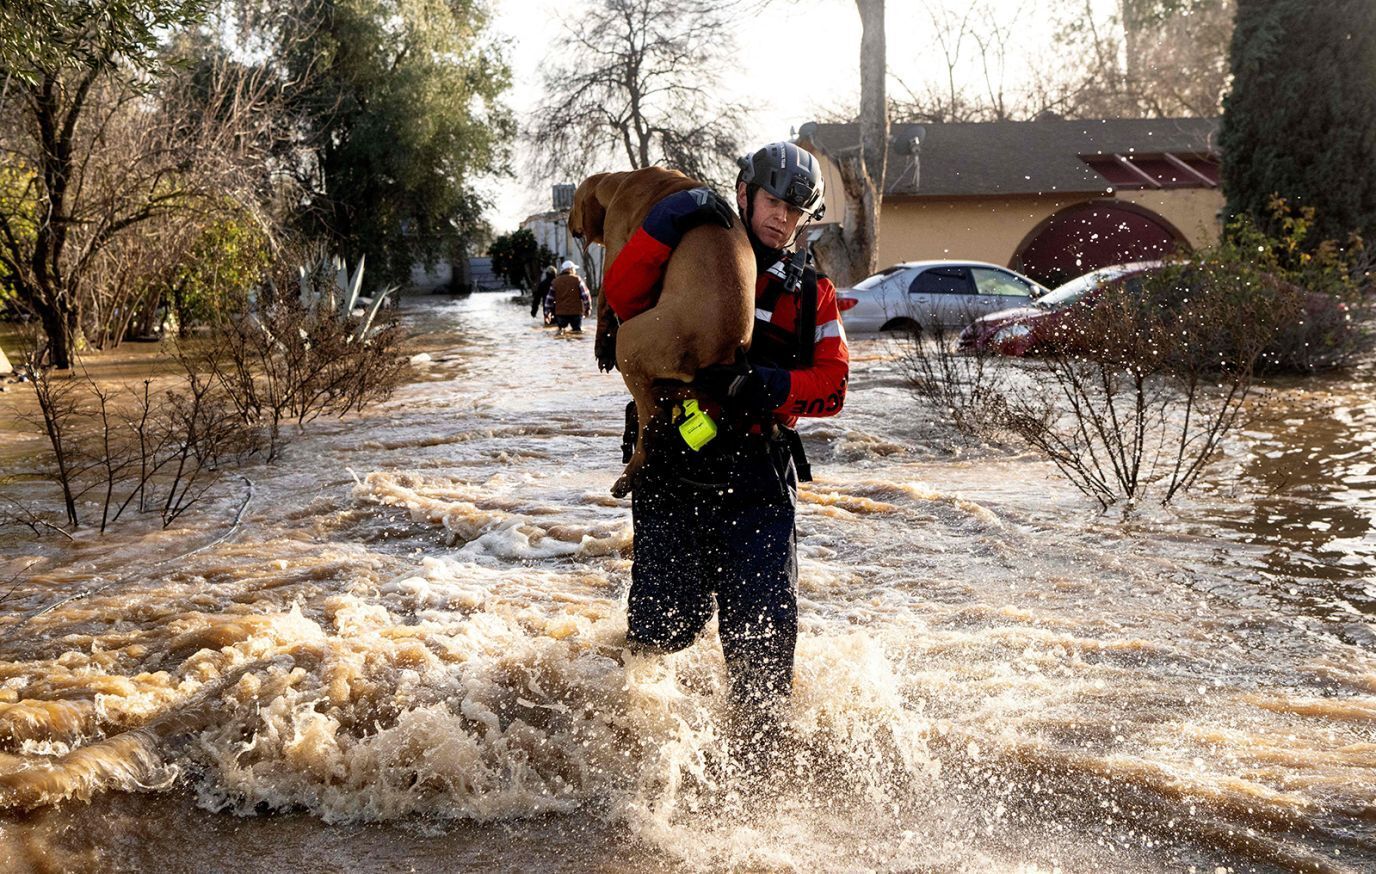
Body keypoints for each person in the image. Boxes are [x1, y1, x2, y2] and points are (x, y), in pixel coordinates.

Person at [601, 142, 849, 761]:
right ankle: (630, 749)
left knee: (763, 638)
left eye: (796, 211)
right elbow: (624, 296)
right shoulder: (686, 254)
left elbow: (835, 385)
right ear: (744, 194)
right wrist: (665, 223)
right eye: (772, 202)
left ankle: (759, 774)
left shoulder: (811, 293)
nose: (783, 219)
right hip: (673, 463)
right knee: (662, 626)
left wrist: (768, 385)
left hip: (760, 475)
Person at [545, 260, 592, 335]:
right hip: (576, 313)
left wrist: (547, 312)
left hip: (561, 313)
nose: (575, 271)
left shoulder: (555, 281)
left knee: (561, 332)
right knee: (577, 332)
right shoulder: (577, 280)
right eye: (574, 269)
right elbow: (585, 295)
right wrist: (588, 308)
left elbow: (549, 299)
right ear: (570, 269)